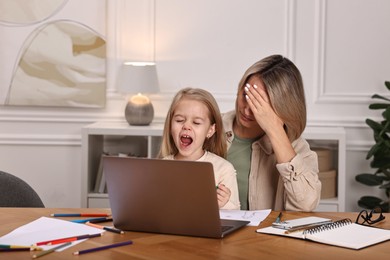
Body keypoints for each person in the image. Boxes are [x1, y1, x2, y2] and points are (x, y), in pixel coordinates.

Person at [222, 54, 321, 211]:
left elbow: (306, 205)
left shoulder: (297, 147)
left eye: (259, 104)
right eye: (246, 96)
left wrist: (275, 130)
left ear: (281, 108)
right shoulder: (210, 127)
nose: (247, 109)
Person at [159, 87, 240, 210]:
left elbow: (236, 213)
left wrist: (224, 203)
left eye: (196, 122)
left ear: (210, 130)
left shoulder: (223, 169)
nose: (186, 126)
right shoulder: (161, 166)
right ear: (170, 125)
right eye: (180, 120)